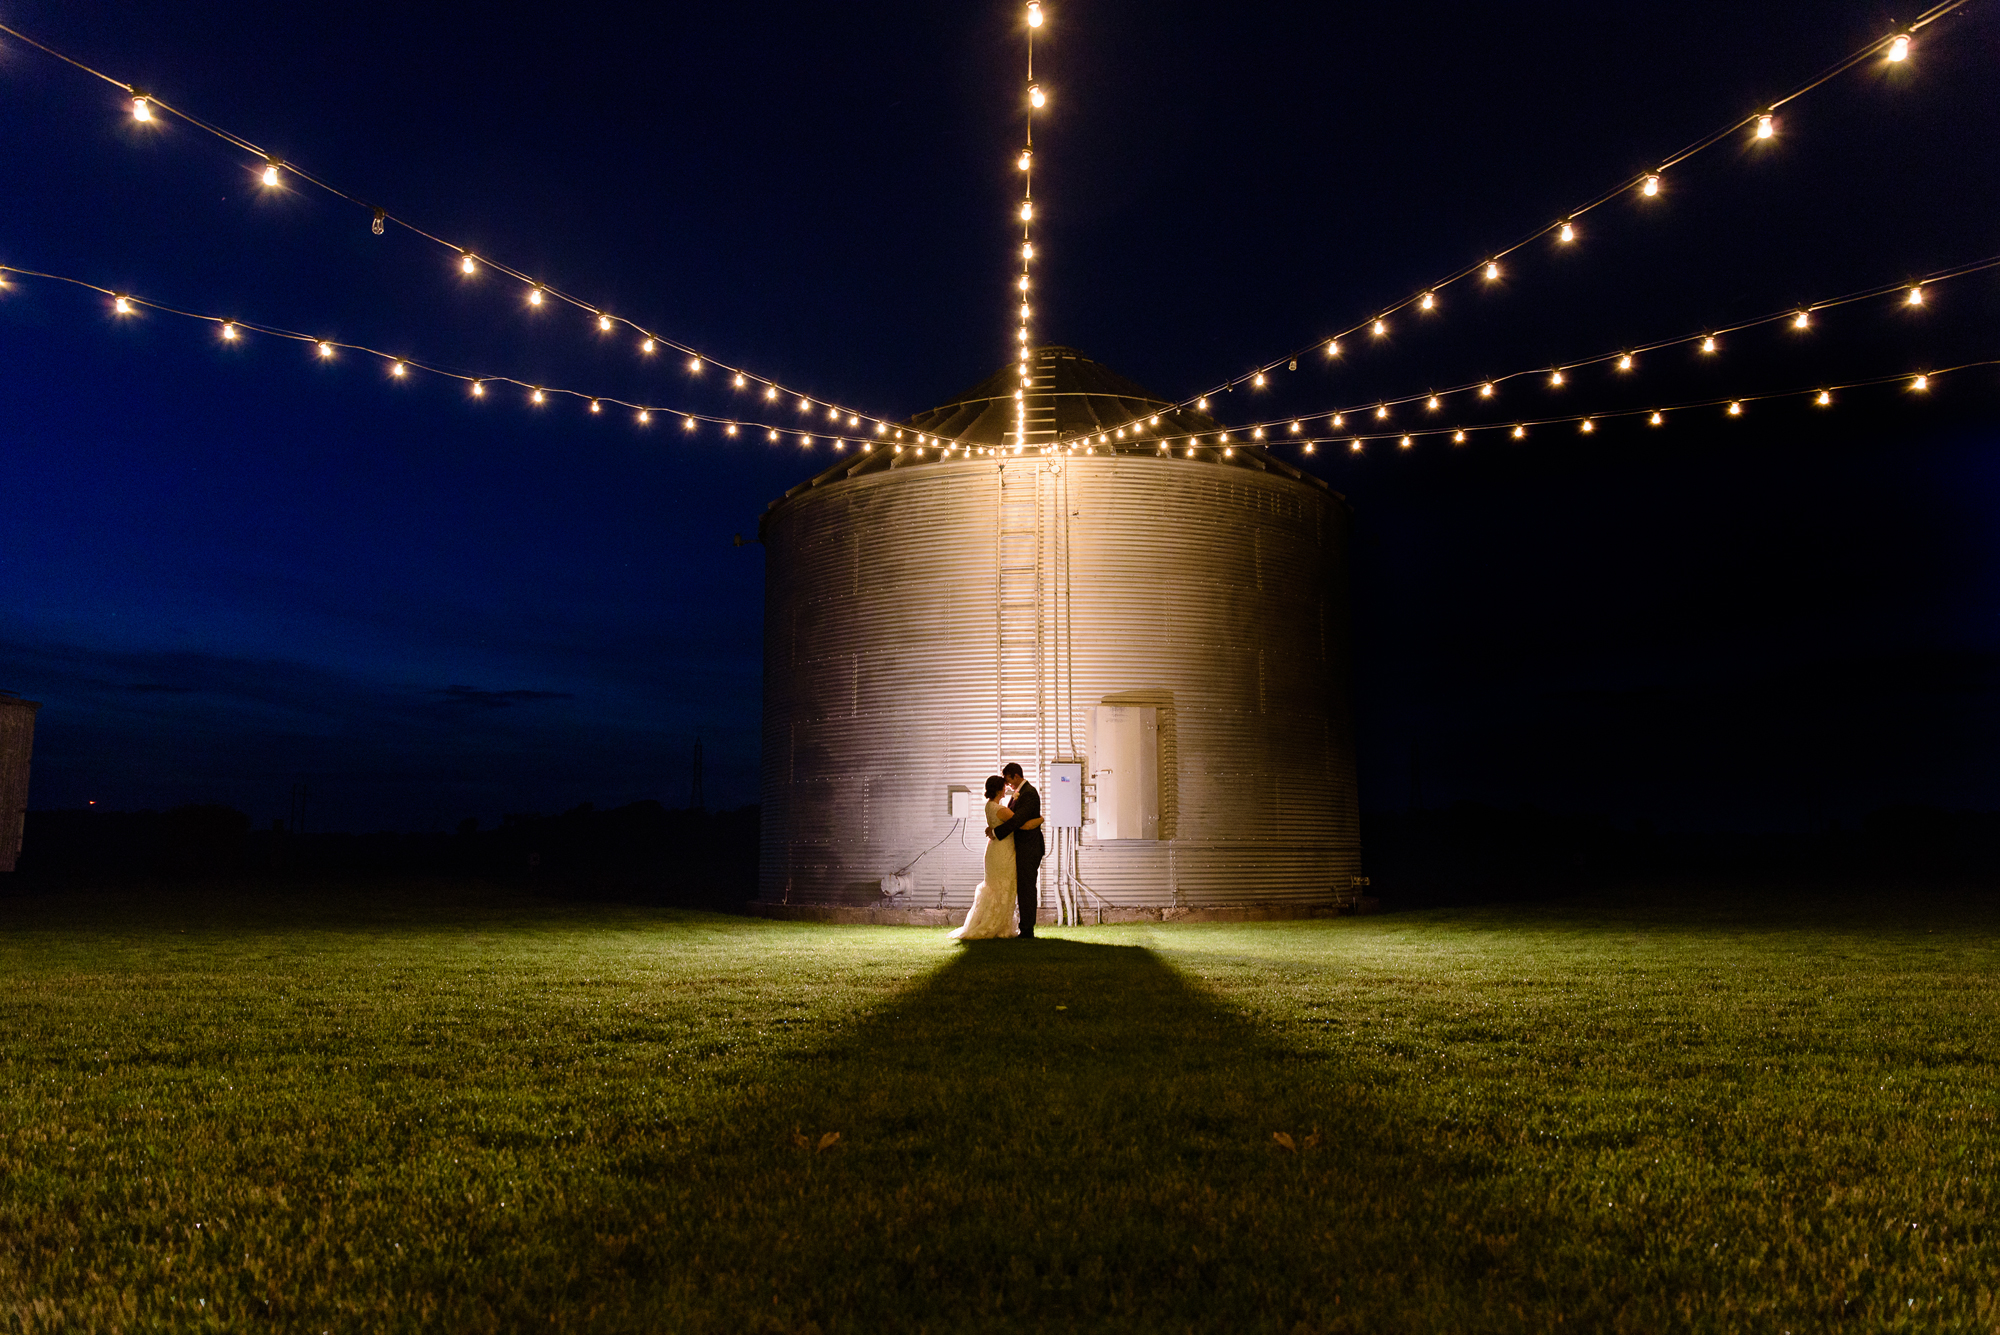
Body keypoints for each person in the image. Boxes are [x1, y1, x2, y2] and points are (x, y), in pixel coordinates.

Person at [948, 775, 1021, 941]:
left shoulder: (990, 806)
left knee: (995, 886)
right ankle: (998, 926)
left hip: (995, 849)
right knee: (1004, 886)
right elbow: (1018, 820)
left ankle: (993, 923)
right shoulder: (1000, 809)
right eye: (1003, 787)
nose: (1006, 789)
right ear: (998, 789)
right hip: (1003, 850)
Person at [988, 762, 1045, 939]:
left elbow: (1017, 820)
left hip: (1029, 848)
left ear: (1016, 776)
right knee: (1023, 887)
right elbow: (1015, 820)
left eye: (1008, 780)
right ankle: (1024, 927)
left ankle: (1027, 930)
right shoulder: (1020, 794)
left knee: (1027, 888)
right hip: (1021, 847)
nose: (1007, 785)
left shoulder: (1029, 793)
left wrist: (996, 832)